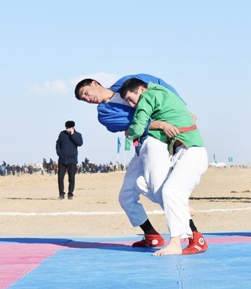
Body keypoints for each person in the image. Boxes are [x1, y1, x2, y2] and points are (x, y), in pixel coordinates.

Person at [74, 74, 201, 248]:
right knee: (126, 196)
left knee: (160, 187)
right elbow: (135, 125)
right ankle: (152, 235)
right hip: (142, 146)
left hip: (157, 143)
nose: (88, 99)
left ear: (95, 83)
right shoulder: (104, 113)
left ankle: (194, 235)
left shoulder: (127, 82)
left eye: (87, 93)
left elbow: (161, 87)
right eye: (84, 99)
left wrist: (182, 109)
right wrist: (162, 124)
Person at [119, 78, 208, 256]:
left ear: (141, 90)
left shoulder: (147, 96)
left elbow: (137, 126)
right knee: (141, 183)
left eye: (131, 98)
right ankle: (181, 208)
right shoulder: (164, 92)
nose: (131, 104)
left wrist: (130, 131)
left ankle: (177, 242)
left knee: (169, 191)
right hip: (181, 154)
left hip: (192, 152)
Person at [55, 120, 83, 200]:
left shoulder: (78, 135)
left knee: (71, 178)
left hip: (72, 160)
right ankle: (61, 194)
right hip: (62, 160)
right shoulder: (62, 134)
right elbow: (57, 143)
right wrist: (59, 152)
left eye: (69, 128)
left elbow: (80, 143)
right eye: (67, 128)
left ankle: (70, 194)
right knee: (60, 177)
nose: (67, 129)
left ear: (73, 127)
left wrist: (72, 135)